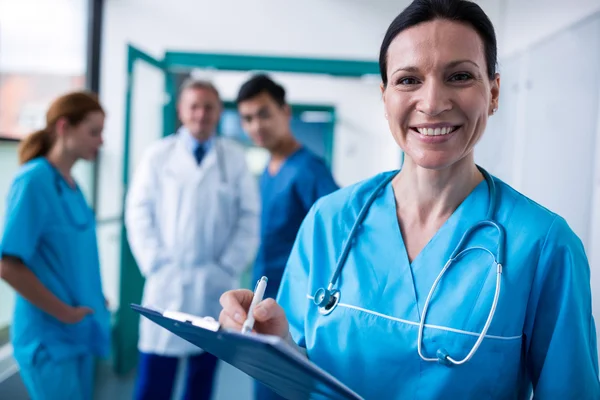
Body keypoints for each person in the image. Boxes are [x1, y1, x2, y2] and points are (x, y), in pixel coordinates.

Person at [218, 0, 600, 399]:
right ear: (385, 97)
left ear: (494, 92)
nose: (432, 103)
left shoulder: (543, 247)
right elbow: (298, 374)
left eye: (459, 76)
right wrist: (276, 344)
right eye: (408, 80)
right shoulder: (328, 222)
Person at [125, 78, 260, 400]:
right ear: (181, 111)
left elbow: (249, 218)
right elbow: (138, 212)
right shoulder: (158, 155)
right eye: (194, 106)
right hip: (165, 281)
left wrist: (227, 266)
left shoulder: (234, 159)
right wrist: (156, 262)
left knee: (201, 380)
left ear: (218, 112)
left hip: (213, 283)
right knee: (153, 381)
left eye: (209, 107)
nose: (201, 114)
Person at [0, 92, 111, 400]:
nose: (100, 141)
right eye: (93, 131)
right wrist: (64, 312)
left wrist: (95, 296)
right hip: (49, 337)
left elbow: (71, 258)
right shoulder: (33, 181)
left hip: (78, 332)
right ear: (64, 127)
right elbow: (7, 265)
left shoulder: (72, 186)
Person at [236, 75, 339, 399]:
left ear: (285, 111)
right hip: (263, 302)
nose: (256, 126)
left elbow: (338, 242)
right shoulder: (268, 170)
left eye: (264, 113)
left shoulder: (310, 171)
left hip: (296, 313)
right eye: (247, 119)